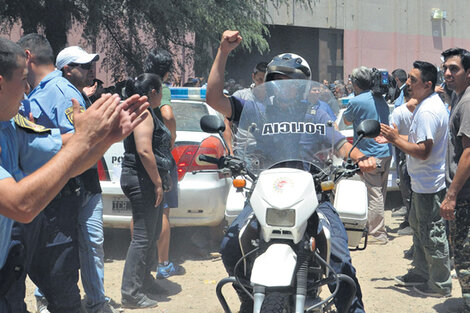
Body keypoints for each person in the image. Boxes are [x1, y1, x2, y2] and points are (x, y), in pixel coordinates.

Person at [206, 30, 376, 313]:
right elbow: (213, 97)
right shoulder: (256, 108)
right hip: (265, 193)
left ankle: (352, 309)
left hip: (313, 194)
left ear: (302, 85)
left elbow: (338, 143)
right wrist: (223, 51)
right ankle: (248, 295)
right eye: (279, 81)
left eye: (293, 81)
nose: (285, 86)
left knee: (340, 259)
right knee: (230, 246)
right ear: (270, 83)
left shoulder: (316, 113)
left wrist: (360, 157)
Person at [0, 36, 148, 313]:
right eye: (22, 80)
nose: (27, 91)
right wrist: (84, 139)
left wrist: (106, 138)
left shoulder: (10, 125)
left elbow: (65, 158)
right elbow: (21, 205)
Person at [380, 61, 452, 297]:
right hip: (422, 184)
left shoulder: (428, 111)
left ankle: (440, 285)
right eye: (409, 78)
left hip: (430, 186)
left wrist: (394, 138)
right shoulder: (426, 105)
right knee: (420, 233)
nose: (408, 84)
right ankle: (421, 273)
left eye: (413, 79)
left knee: (432, 235)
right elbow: (416, 140)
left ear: (428, 84)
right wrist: (394, 138)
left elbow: (423, 150)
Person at [120, 73, 174, 309]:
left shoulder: (145, 111)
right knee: (142, 238)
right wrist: (157, 183)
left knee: (150, 235)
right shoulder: (143, 113)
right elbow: (144, 151)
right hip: (142, 179)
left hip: (145, 178)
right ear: (152, 92)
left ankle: (145, 281)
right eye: (160, 91)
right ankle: (131, 293)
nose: (162, 96)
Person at [143, 48, 183, 279]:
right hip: (159, 155)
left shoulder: (139, 83)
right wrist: (172, 136)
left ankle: (143, 258)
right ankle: (163, 263)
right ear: (167, 70)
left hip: (141, 154)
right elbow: (167, 114)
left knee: (140, 212)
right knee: (163, 210)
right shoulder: (161, 87)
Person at [343, 66, 392, 244]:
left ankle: (378, 234)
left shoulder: (356, 102)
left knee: (374, 193)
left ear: (355, 83)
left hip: (370, 154)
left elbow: (347, 120)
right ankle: (375, 227)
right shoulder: (380, 98)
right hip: (386, 151)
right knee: (380, 192)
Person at [440, 48, 470, 312]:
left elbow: (469, 154)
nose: (448, 73)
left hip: (465, 196)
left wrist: (451, 195)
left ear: (469, 73)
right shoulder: (459, 98)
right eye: (446, 68)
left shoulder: (468, 103)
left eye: (455, 69)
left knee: (464, 255)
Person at [389, 86, 416, 236]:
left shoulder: (398, 111)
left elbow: (394, 135)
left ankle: (411, 222)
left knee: (407, 190)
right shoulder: (421, 110)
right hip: (419, 153)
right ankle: (410, 220)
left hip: (404, 153)